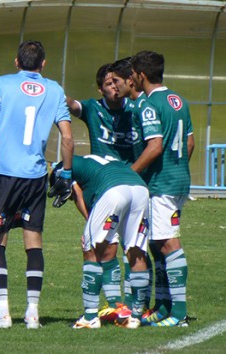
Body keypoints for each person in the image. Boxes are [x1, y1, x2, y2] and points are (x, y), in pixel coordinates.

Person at [0, 40, 74, 329]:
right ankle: (33, 314)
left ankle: (2, 313)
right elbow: (68, 137)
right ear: (43, 64)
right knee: (33, 241)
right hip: (35, 176)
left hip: (2, 174)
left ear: (16, 62)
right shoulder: (55, 89)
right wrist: (65, 173)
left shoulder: (2, 83)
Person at [67, 63, 142, 323]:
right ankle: (119, 308)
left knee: (134, 250)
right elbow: (72, 106)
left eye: (116, 81)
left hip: (129, 181)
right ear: (100, 88)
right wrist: (50, 92)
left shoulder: (136, 109)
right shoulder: (92, 107)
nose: (114, 86)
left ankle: (130, 308)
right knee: (106, 246)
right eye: (108, 83)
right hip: (102, 186)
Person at [130, 50, 194, 327]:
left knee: (168, 243)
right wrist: (177, 166)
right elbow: (190, 143)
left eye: (133, 73)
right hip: (178, 178)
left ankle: (178, 313)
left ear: (141, 75)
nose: (131, 78)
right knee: (157, 243)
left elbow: (154, 146)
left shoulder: (149, 104)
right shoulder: (177, 100)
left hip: (162, 183)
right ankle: (163, 304)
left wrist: (129, 173)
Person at [50, 155, 150, 329]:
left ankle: (90, 317)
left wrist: (90, 224)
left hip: (113, 190)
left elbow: (77, 193)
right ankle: (135, 317)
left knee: (90, 249)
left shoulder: (64, 166)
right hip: (140, 189)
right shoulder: (99, 161)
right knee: (136, 252)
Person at [108, 57, 154, 315]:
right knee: (136, 246)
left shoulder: (143, 107)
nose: (114, 86)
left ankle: (141, 305)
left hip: (142, 185)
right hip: (138, 185)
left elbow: (154, 146)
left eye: (116, 81)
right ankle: (140, 305)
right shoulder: (136, 106)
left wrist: (132, 173)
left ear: (130, 80)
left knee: (138, 246)